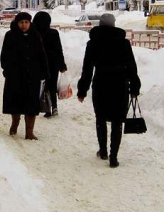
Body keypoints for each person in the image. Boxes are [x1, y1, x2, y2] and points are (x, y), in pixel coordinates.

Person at [76, 13, 140, 169]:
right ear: (113, 24)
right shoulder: (124, 43)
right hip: (120, 84)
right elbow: (131, 66)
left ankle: (103, 151)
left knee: (101, 117)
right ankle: (114, 157)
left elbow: (87, 69)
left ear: (100, 24)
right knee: (118, 120)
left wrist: (82, 90)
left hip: (101, 83)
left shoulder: (93, 43)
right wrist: (135, 87)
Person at [0, 12, 49, 140]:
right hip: (15, 76)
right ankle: (14, 124)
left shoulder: (35, 35)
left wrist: (44, 72)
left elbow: (41, 55)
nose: (24, 25)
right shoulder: (10, 36)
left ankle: (29, 132)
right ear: (17, 23)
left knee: (31, 104)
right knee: (15, 102)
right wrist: (7, 69)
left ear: (30, 23)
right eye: (21, 22)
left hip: (32, 76)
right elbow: (4, 55)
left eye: (26, 22)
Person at [32, 11, 67, 118]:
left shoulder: (34, 33)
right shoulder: (54, 33)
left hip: (39, 64)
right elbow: (58, 50)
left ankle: (46, 108)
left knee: (42, 86)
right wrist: (62, 65)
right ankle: (54, 107)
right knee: (52, 86)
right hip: (53, 64)